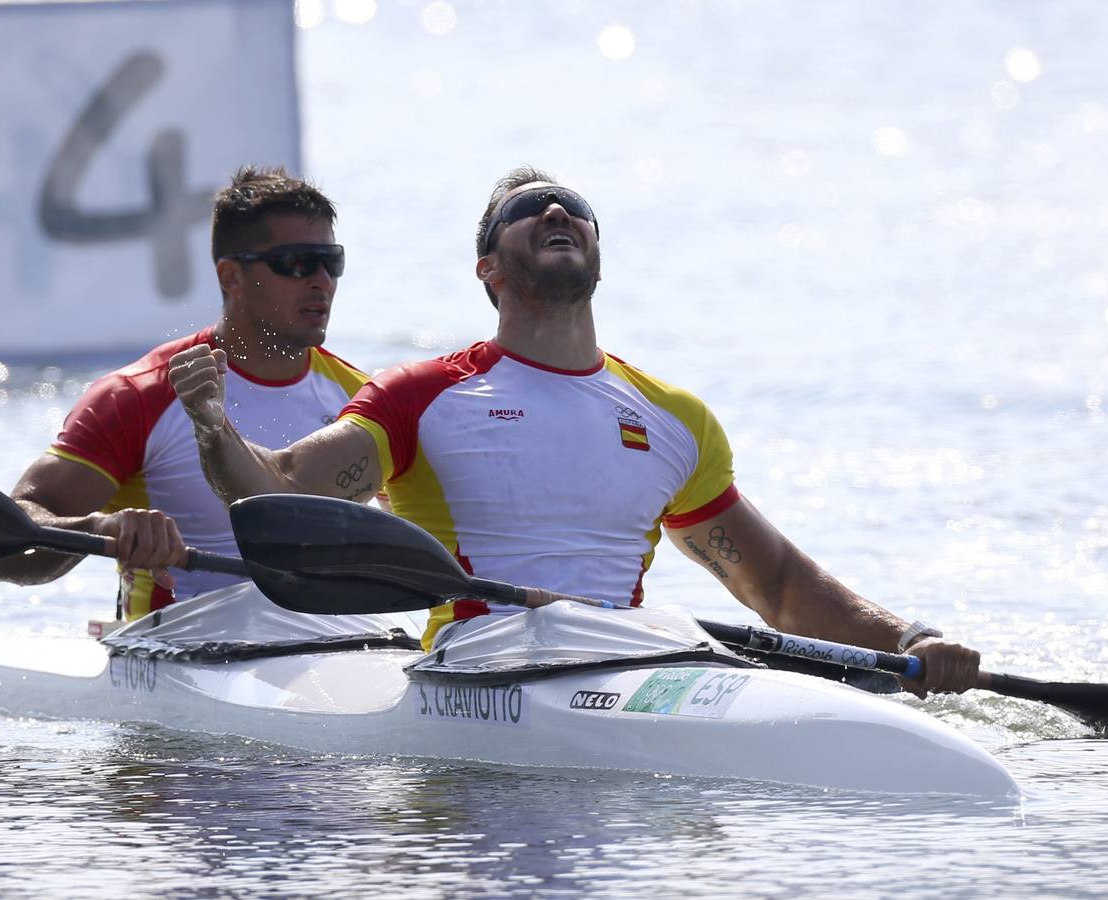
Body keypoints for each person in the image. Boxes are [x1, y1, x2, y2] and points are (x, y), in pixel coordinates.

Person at [167, 164, 980, 697]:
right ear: (487, 269)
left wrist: (911, 639)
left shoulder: (673, 418)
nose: (556, 209)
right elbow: (272, 493)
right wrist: (211, 424)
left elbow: (777, 589)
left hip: (627, 668)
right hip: (479, 676)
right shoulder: (422, 396)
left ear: (595, 251)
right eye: (525, 211)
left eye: (574, 209)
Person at [0, 165, 367, 621]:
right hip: (177, 652)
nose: (321, 281)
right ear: (231, 277)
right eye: (297, 263)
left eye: (331, 261)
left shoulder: (361, 399)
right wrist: (98, 528)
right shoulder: (137, 399)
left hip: (336, 649)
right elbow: (1, 552)